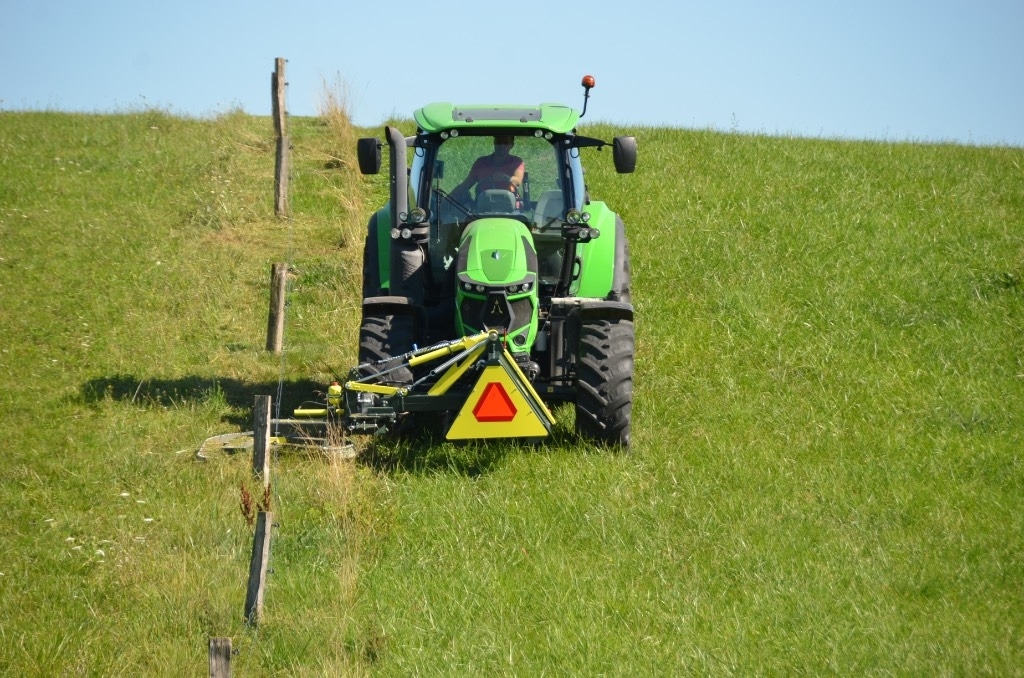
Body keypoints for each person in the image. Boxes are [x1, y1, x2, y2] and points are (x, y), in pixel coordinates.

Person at [452, 135, 525, 201]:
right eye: (499, 142)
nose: (502, 145)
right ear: (494, 143)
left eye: (505, 143)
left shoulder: (516, 162)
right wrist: (447, 200)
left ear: (511, 145)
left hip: (511, 209)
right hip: (481, 209)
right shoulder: (481, 162)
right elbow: (466, 185)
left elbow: (518, 181)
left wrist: (505, 177)